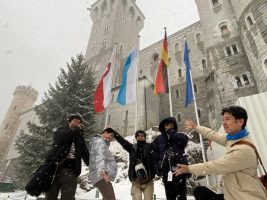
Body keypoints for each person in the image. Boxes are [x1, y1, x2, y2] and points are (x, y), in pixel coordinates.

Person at [173, 105, 267, 200]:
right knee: (200, 191)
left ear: (240, 122)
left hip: (244, 196)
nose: (224, 123)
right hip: (233, 191)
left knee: (201, 192)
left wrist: (189, 169)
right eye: (223, 119)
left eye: (227, 119)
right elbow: (213, 135)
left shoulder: (243, 150)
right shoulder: (234, 139)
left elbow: (216, 166)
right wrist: (196, 127)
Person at [45, 114, 90, 200]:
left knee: (68, 197)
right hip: (56, 169)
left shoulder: (79, 137)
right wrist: (75, 131)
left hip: (71, 171)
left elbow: (85, 152)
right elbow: (60, 138)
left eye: (79, 123)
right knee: (50, 196)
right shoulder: (61, 131)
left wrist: (91, 164)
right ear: (69, 121)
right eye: (75, 121)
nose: (77, 124)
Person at [153, 117, 189, 200]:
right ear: (163, 126)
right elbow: (155, 155)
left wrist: (171, 132)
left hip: (180, 169)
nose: (168, 126)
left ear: (174, 125)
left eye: (170, 124)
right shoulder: (158, 139)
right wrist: (157, 167)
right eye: (166, 124)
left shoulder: (178, 135)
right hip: (166, 171)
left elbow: (184, 140)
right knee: (170, 196)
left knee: (182, 196)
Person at [113, 129, 155, 200]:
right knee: (136, 198)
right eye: (138, 136)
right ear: (136, 137)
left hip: (149, 180)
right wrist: (115, 133)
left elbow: (159, 142)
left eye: (142, 136)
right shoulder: (132, 148)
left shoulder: (150, 147)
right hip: (136, 181)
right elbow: (123, 141)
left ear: (145, 137)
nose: (140, 137)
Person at [89, 128, 117, 200]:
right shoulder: (100, 142)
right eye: (110, 135)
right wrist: (102, 171)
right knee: (110, 198)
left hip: (99, 175)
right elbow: (99, 157)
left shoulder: (99, 142)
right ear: (105, 132)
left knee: (107, 198)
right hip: (101, 175)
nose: (111, 138)